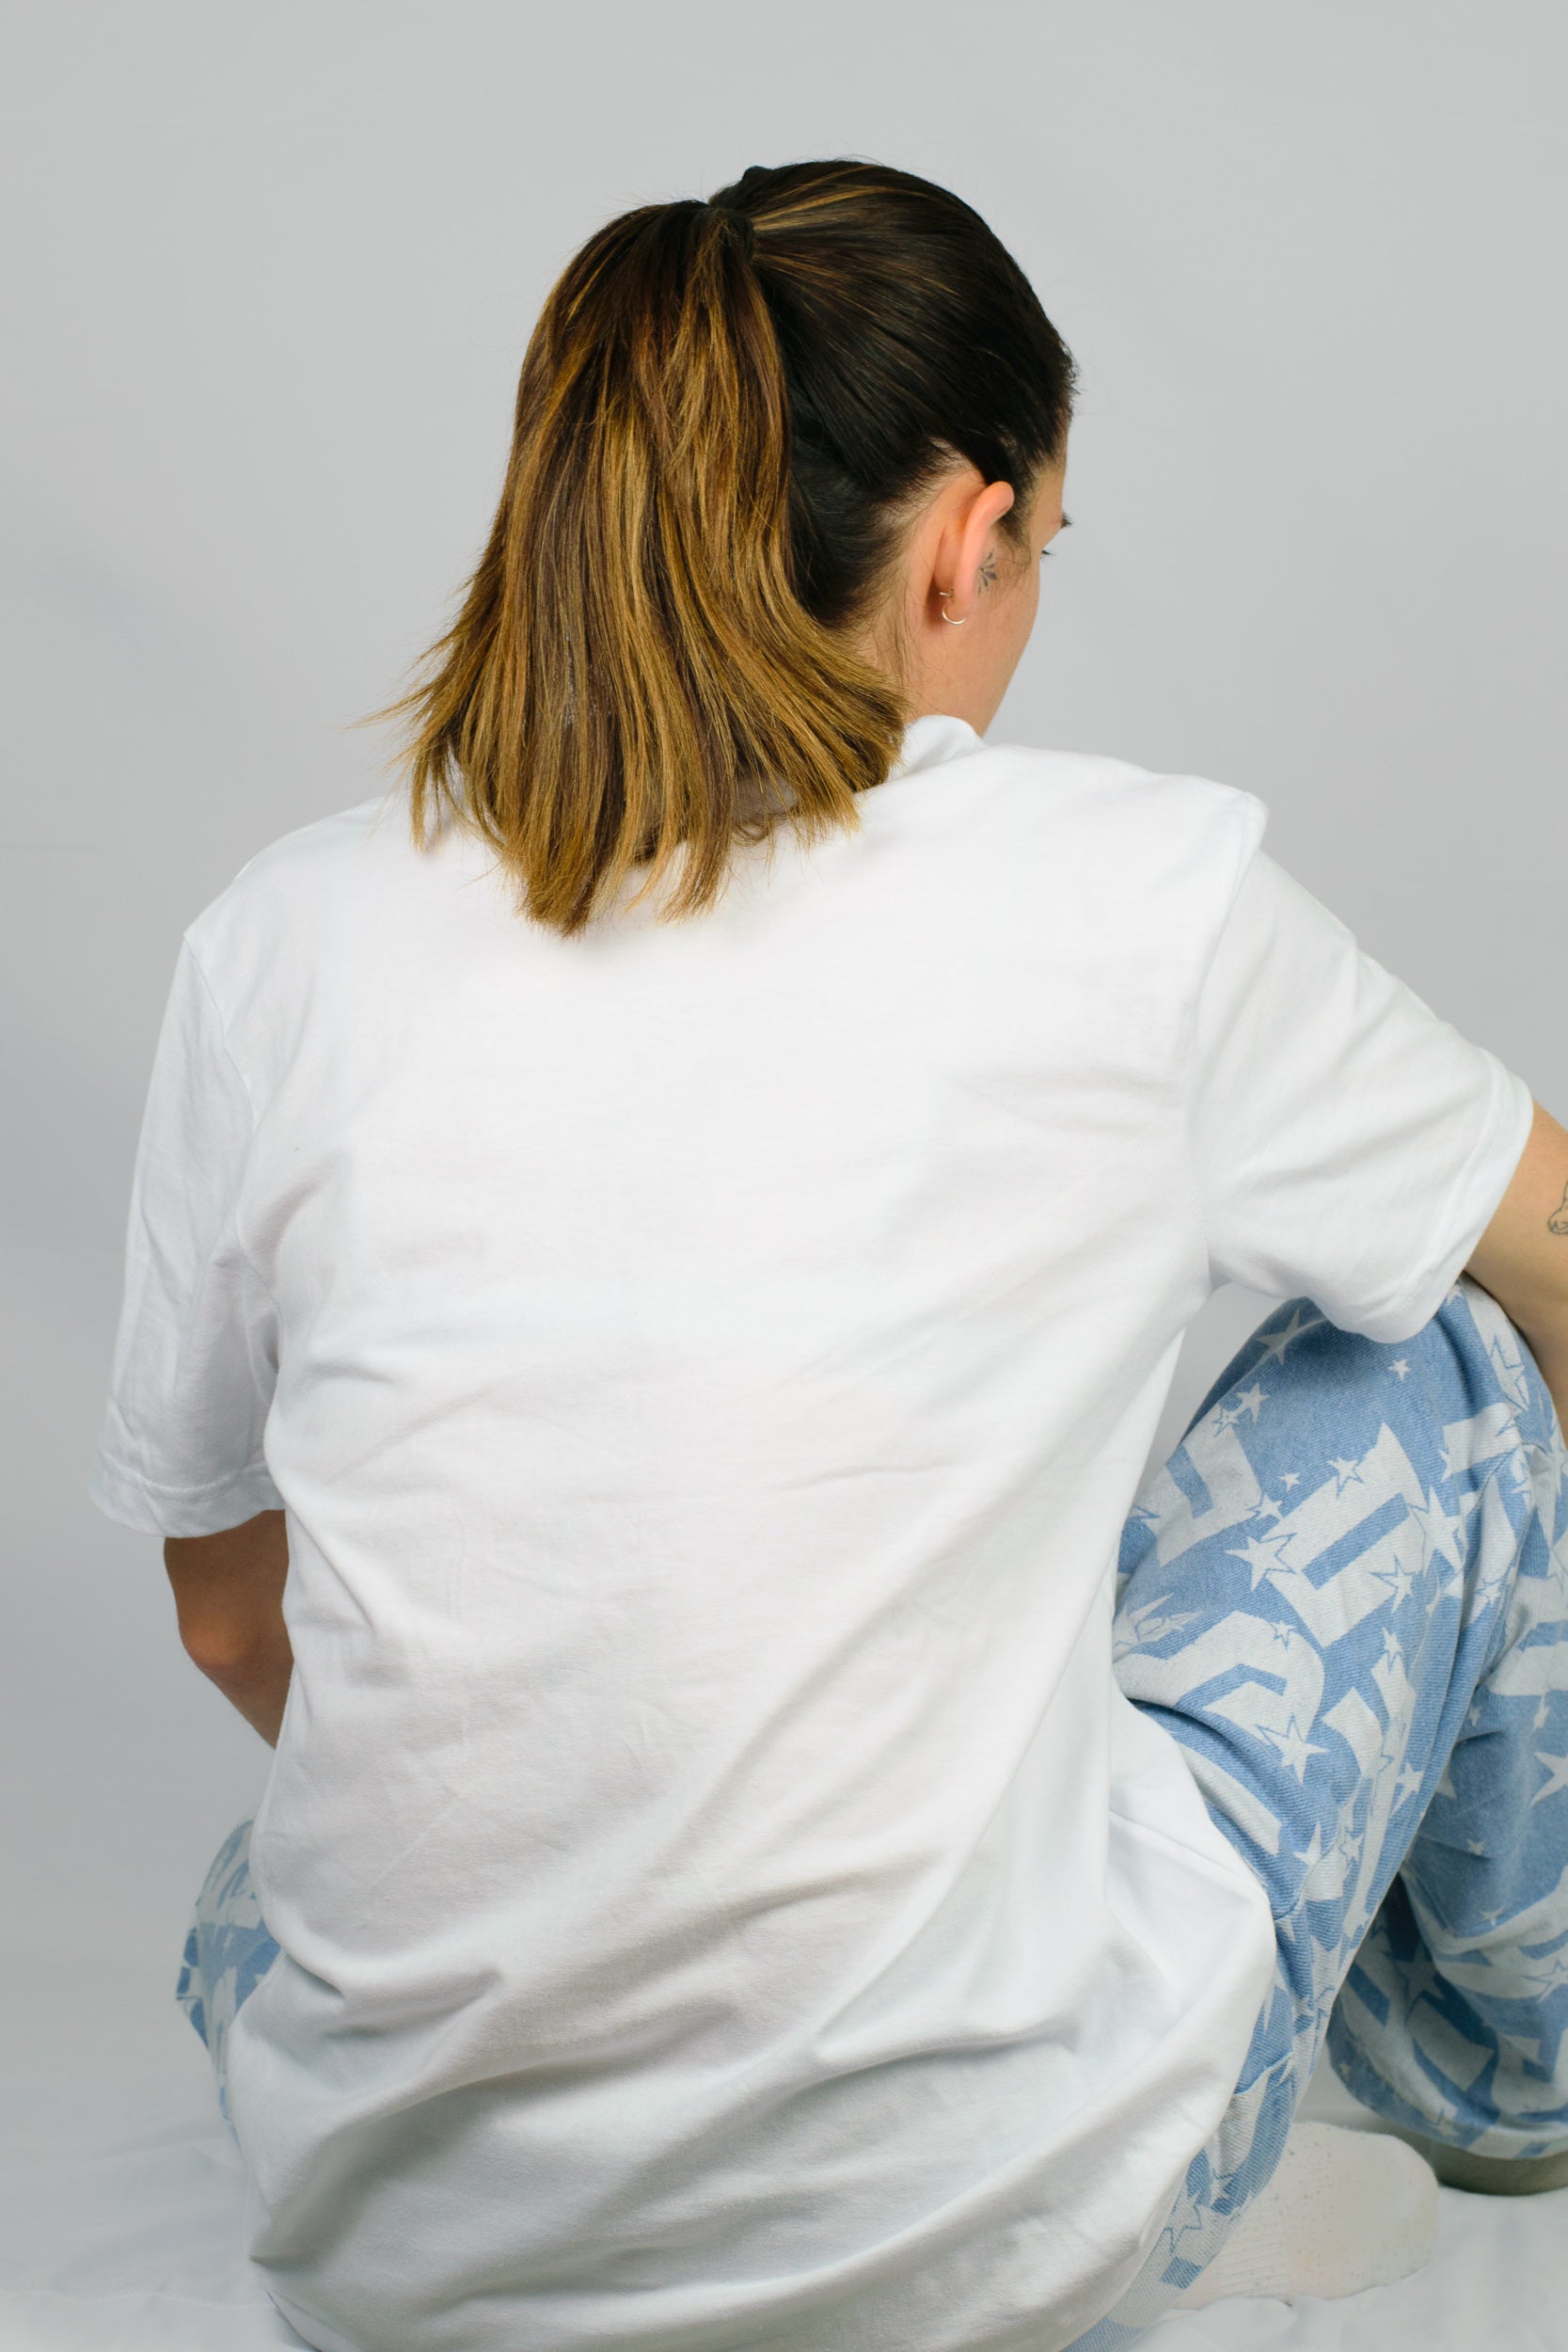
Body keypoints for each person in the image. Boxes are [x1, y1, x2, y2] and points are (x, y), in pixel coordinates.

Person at [87, 159, 1568, 2352]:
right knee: (1448, 1340)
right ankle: (1498, 2092)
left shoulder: (280, 941)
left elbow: (233, 1619)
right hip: (1004, 2227)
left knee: (270, 1891)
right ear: (972, 536)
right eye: (1043, 548)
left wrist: (606, 1858)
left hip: (401, 2257)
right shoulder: (1135, 900)